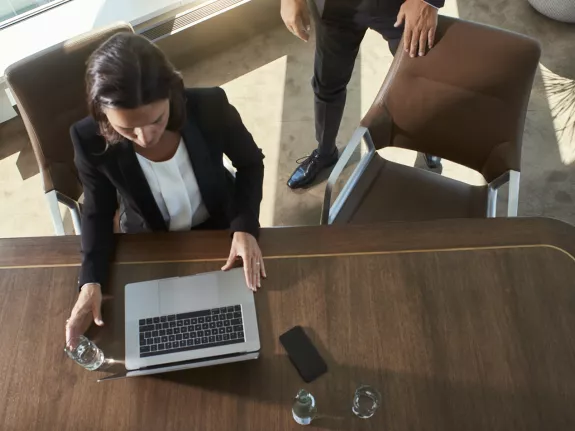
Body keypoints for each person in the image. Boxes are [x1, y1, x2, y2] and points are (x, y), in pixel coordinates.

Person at [65, 33, 265, 343]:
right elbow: (98, 211)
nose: (145, 138)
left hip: (220, 229)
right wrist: (90, 281)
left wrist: (246, 226)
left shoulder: (211, 105)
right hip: (149, 240)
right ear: (102, 114)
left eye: (156, 119)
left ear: (173, 93)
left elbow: (250, 163)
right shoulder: (87, 138)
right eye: (127, 128)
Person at [283, 0, 444, 189]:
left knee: (420, 78)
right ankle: (325, 153)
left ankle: (428, 141)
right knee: (327, 83)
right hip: (334, 7)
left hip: (397, 4)